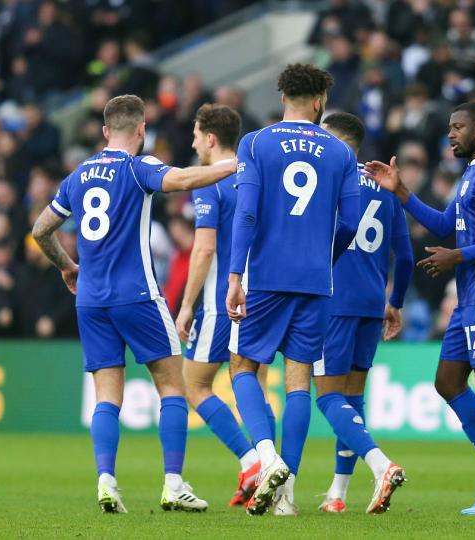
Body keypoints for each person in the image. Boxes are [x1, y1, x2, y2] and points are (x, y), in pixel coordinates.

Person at [31, 94, 236, 513]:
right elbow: (181, 181)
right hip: (136, 295)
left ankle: (106, 480)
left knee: (107, 395)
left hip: (90, 300)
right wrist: (236, 165)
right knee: (172, 386)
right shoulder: (139, 166)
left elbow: (40, 229)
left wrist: (69, 266)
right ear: (141, 131)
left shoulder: (79, 175)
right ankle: (173, 483)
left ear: (106, 131)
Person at [226, 63, 392, 517]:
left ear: (283, 96)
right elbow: (352, 224)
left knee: (242, 366)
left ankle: (268, 459)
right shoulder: (340, 153)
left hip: (267, 277)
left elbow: (246, 214)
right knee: (299, 379)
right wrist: (326, 259)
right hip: (318, 282)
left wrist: (235, 276)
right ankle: (287, 497)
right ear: (320, 101)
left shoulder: (256, 142)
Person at [364, 101, 475, 515]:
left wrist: (460, 257)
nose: (451, 134)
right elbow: (445, 226)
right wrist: (401, 192)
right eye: (450, 127)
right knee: (448, 381)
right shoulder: (470, 174)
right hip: (469, 295)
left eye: (459, 127)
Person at [314, 112, 414, 513]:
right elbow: (405, 256)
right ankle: (337, 495)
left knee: (326, 397)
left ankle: (381, 465)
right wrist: (397, 303)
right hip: (372, 303)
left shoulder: (329, 177)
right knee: (352, 398)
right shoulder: (383, 184)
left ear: (338, 140)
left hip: (334, 299)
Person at [173, 103, 271, 508]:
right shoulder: (259, 175)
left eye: (196, 135)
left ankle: (252, 461)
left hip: (222, 299)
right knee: (258, 385)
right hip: (264, 295)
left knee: (192, 384)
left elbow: (205, 248)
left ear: (211, 139)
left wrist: (186, 305)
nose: (193, 142)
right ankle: (268, 471)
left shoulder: (209, 181)